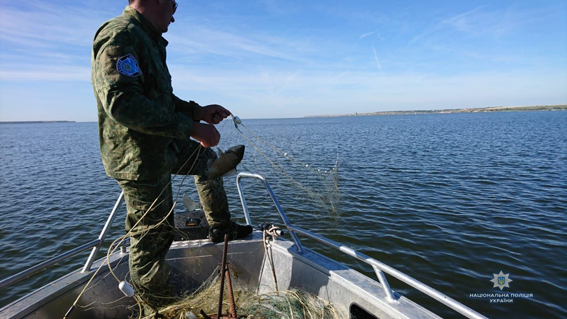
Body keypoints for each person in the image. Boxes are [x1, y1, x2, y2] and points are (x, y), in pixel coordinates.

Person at [91, 0, 252, 314]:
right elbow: (123, 104)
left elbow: (158, 97)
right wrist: (191, 127)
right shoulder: (120, 35)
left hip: (161, 145)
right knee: (152, 239)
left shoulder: (147, 39)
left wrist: (196, 111)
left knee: (209, 163)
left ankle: (221, 226)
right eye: (173, 4)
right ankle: (159, 309)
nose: (175, 15)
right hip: (138, 159)